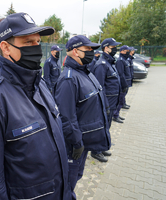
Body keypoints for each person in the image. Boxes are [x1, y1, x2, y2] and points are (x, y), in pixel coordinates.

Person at [0, 13, 71, 200]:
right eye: (28, 42)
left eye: (38, 42)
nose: (37, 48)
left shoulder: (41, 86)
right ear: (5, 48)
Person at [54, 35, 111, 199]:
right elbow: (66, 117)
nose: (92, 53)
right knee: (68, 183)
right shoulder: (68, 79)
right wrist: (77, 143)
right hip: (74, 146)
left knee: (77, 176)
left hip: (83, 144)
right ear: (75, 52)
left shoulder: (86, 73)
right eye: (88, 50)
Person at [90, 38, 122, 162]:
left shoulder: (109, 63)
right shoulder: (101, 65)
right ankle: (95, 151)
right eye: (113, 47)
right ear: (106, 48)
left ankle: (102, 147)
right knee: (102, 127)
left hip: (111, 102)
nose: (115, 49)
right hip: (106, 103)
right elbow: (99, 87)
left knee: (107, 126)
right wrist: (105, 105)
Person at [113, 45, 131, 123]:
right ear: (122, 51)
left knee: (121, 100)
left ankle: (117, 114)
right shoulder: (120, 60)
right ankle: (115, 115)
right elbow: (120, 74)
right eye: (127, 51)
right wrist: (124, 84)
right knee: (120, 101)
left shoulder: (124, 59)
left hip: (126, 83)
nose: (128, 52)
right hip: (123, 84)